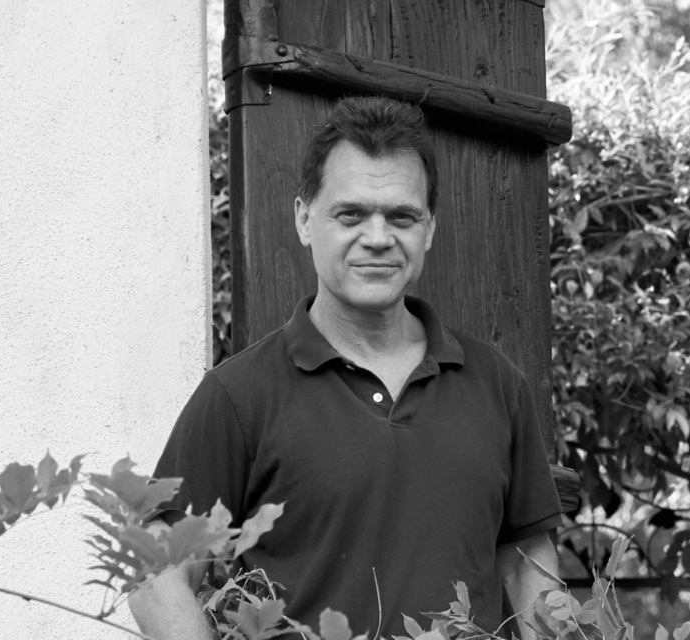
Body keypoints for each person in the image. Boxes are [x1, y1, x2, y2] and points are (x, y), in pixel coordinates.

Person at [129, 96, 563, 640]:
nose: (378, 238)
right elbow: (155, 575)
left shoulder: (495, 382)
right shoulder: (238, 395)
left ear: (428, 228)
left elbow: (525, 563)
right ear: (305, 218)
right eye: (351, 213)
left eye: (402, 216)